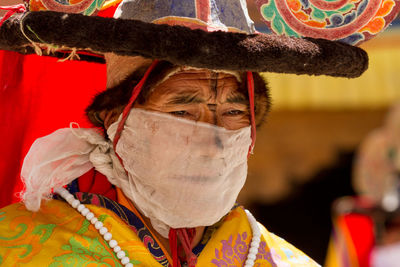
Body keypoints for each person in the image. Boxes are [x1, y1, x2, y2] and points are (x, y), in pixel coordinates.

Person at [0, 0, 371, 266]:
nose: (211, 143)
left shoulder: (282, 261)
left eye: (233, 112)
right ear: (115, 119)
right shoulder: (17, 250)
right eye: (181, 111)